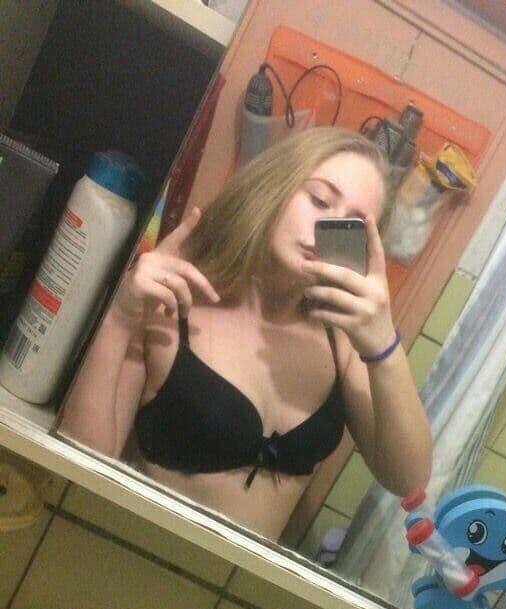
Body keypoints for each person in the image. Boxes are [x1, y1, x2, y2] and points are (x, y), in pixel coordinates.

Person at [59, 127, 432, 540]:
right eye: (319, 200)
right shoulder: (174, 296)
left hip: (234, 579)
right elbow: (78, 468)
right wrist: (120, 317)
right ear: (274, 187)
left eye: (351, 225)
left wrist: (383, 346)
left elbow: (408, 480)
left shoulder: (341, 337)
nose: (329, 224)